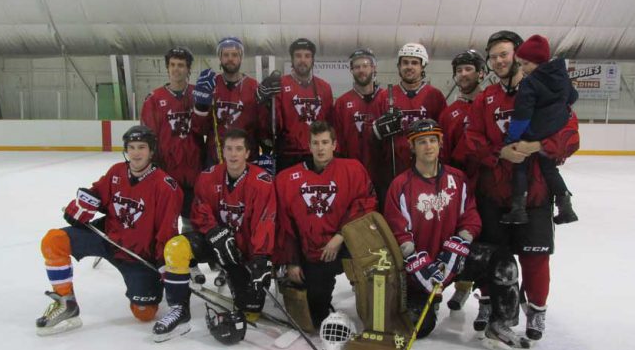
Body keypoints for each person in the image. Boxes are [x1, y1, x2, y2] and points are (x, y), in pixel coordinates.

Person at [461, 30, 580, 349]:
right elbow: (472, 139)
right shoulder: (486, 99)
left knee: (534, 258)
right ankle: (489, 303)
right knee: (490, 258)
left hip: (536, 196)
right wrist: (501, 152)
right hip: (493, 194)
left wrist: (537, 146)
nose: (500, 61)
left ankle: (536, 311)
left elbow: (571, 136)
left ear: (519, 56)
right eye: (494, 56)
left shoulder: (546, 92)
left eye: (505, 54)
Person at [36, 126, 192, 342]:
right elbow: (96, 194)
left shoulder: (166, 187)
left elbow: (167, 232)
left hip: (139, 257)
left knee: (144, 313)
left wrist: (165, 267)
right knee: (54, 241)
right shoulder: (117, 171)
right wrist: (79, 209)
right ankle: (66, 303)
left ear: (151, 151)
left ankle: (150, 289)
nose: (136, 153)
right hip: (107, 239)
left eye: (142, 148)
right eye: (131, 148)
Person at [383, 119, 481, 338]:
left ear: (440, 143)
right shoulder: (401, 185)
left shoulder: (458, 178)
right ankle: (428, 298)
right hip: (420, 266)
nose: (428, 146)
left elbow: (470, 216)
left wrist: (462, 241)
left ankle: (494, 314)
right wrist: (413, 257)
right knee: (419, 327)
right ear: (412, 147)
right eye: (421, 142)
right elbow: (397, 227)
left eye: (432, 140)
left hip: (452, 260)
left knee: (500, 264)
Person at [275, 121, 377, 328]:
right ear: (309, 146)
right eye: (315, 143)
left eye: (324, 142)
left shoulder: (353, 169)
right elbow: (286, 225)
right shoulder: (287, 179)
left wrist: (340, 236)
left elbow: (365, 205)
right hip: (315, 252)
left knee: (375, 276)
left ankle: (374, 313)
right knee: (315, 314)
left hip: (347, 244)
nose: (320, 148)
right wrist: (292, 261)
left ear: (334, 145)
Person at [189, 129, 276, 321]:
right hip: (217, 245)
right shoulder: (207, 177)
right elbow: (199, 210)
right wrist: (213, 231)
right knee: (177, 248)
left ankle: (237, 277)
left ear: (248, 153)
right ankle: (179, 307)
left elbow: (265, 221)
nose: (233, 154)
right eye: (229, 148)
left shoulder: (262, 182)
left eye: (238, 149)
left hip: (245, 252)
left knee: (251, 313)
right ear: (223, 151)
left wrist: (260, 258)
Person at [502, 34, 579, 225]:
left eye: (525, 64)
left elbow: (522, 114)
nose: (523, 68)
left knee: (519, 165)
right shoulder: (561, 76)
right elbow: (573, 96)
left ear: (538, 62)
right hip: (555, 128)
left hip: (535, 130)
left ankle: (518, 209)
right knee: (549, 169)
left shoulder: (529, 83)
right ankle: (565, 205)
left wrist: (512, 138)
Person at [439, 49, 486, 311]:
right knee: (458, 236)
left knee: (484, 240)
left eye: (469, 69)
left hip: (489, 185)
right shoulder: (450, 113)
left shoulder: (490, 103)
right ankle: (460, 284)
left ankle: (483, 296)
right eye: (459, 70)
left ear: (481, 72)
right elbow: (444, 154)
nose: (463, 74)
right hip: (460, 188)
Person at [372, 42, 447, 205]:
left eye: (414, 62)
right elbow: (374, 139)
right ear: (399, 66)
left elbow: (443, 136)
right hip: (394, 169)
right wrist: (377, 131)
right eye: (405, 62)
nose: (409, 67)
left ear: (422, 66)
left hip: (427, 170)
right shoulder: (385, 96)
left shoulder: (435, 96)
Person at [141, 47, 203, 217]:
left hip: (194, 172)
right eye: (172, 64)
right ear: (167, 68)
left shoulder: (197, 94)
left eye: (181, 65)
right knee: (166, 220)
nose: (176, 69)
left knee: (193, 221)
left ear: (188, 69)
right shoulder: (154, 99)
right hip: (167, 172)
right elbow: (148, 139)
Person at [191, 37, 271, 167]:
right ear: (220, 58)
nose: (230, 59)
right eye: (226, 55)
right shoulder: (211, 84)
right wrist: (201, 106)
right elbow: (200, 130)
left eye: (234, 55)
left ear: (241, 58)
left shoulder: (253, 87)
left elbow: (262, 128)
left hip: (246, 160)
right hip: (215, 159)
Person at [272, 38, 334, 171]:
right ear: (292, 60)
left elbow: (329, 124)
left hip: (317, 155)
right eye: (298, 56)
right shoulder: (280, 85)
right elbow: (275, 125)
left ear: (313, 60)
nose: (302, 60)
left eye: (307, 56)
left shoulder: (325, 88)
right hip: (288, 156)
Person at [333, 48, 387, 200]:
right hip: (353, 175)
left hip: (383, 174)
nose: (361, 70)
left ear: (373, 68)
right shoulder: (342, 103)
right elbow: (338, 144)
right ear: (351, 70)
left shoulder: (386, 99)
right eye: (357, 67)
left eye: (365, 65)